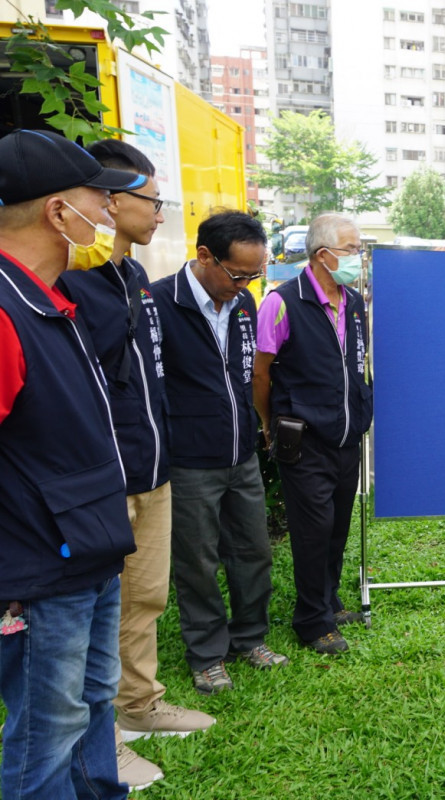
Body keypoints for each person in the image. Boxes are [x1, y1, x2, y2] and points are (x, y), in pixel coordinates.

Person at [57, 139, 214, 790]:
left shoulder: (133, 277)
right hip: (104, 477)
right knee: (94, 612)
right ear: (107, 201)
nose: (158, 214)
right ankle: (103, 741)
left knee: (144, 597)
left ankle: (140, 706)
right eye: (150, 200)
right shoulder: (68, 278)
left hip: (152, 467)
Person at [0, 128, 143, 799]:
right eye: (101, 199)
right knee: (47, 731)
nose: (111, 212)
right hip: (37, 570)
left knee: (91, 704)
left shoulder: (53, 300)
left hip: (88, 549)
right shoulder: (5, 310)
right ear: (59, 212)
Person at [151, 210, 288, 694]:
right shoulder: (158, 302)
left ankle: (249, 638)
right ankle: (207, 653)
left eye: (256, 275)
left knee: (253, 551)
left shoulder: (245, 305)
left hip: (241, 454)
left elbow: (248, 376)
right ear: (204, 256)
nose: (246, 285)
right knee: (197, 561)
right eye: (238, 274)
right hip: (190, 462)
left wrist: (258, 427)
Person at [254, 213, 372, 655]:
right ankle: (311, 620)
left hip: (346, 435)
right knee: (313, 529)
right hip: (303, 438)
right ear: (324, 255)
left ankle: (329, 600)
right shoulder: (281, 302)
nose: (358, 258)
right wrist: (270, 423)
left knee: (338, 525)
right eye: (351, 249)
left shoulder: (354, 303)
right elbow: (260, 373)